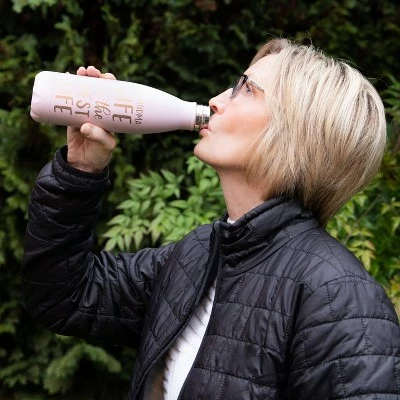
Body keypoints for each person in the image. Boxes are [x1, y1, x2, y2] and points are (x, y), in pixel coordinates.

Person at [22, 38, 400, 400]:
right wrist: (81, 169)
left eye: (246, 89)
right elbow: (66, 296)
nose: (216, 101)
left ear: (300, 130)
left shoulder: (341, 300)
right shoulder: (197, 256)